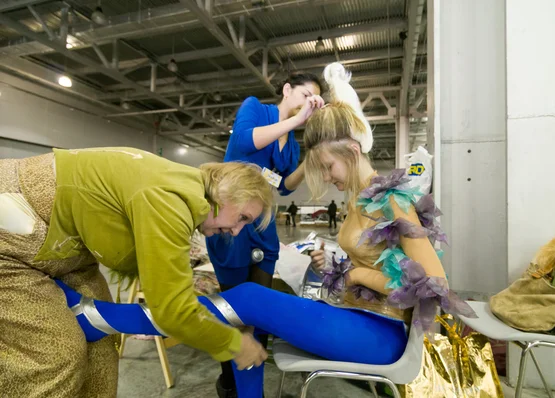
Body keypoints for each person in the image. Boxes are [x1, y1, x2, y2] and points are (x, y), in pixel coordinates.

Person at [55, 64, 476, 398]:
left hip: (381, 335)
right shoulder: (359, 200)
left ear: (350, 150)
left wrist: (360, 275)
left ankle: (101, 319)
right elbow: (371, 261)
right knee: (250, 319)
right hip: (359, 320)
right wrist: (333, 264)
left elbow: (434, 282)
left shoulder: (391, 199)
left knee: (252, 299)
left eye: (328, 167)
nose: (328, 179)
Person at [0, 147, 273, 398]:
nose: (237, 231)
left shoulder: (179, 190)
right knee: (56, 354)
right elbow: (172, 310)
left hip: (66, 248)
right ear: (226, 193)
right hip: (13, 232)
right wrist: (235, 344)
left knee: (103, 344)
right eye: (242, 218)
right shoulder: (171, 199)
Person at [205, 72, 324, 396]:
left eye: (314, 99)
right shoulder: (256, 109)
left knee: (258, 310)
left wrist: (310, 160)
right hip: (231, 222)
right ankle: (230, 382)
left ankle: (250, 378)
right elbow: (245, 142)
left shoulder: (292, 142)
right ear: (287, 90)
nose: (308, 103)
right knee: (234, 309)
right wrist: (297, 117)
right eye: (305, 95)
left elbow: (282, 186)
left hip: (263, 226)